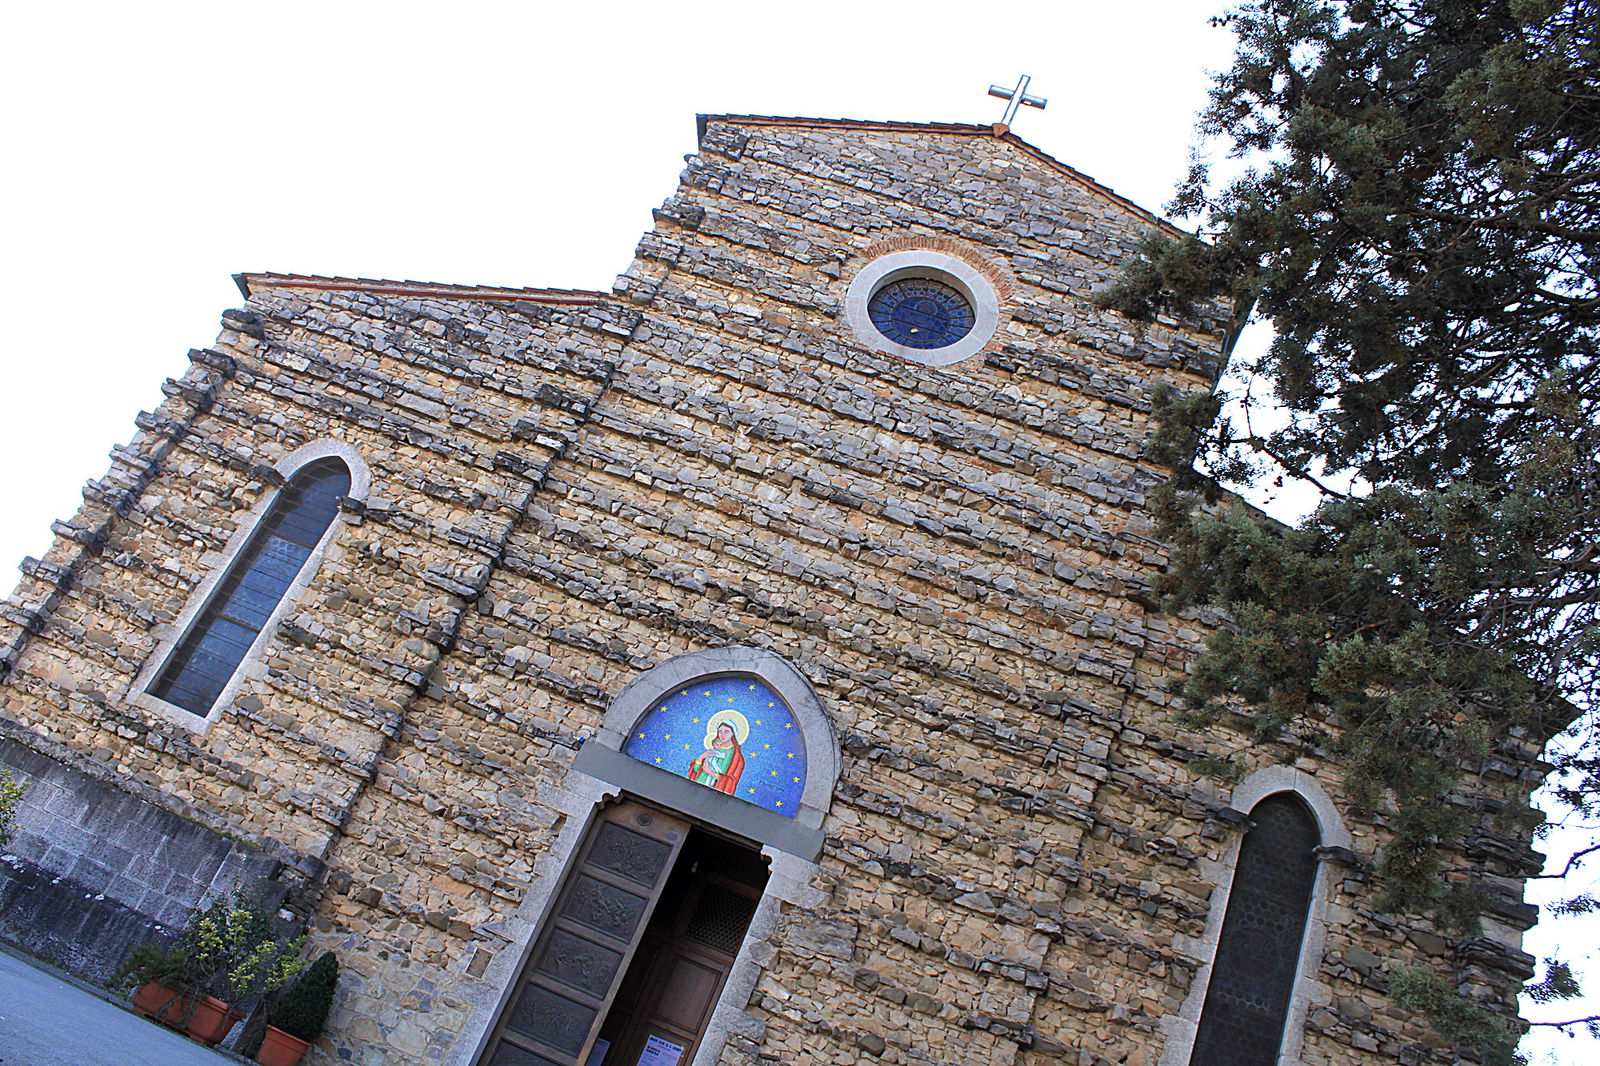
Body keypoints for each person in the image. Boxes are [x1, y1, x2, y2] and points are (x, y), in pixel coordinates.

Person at [686, 720, 744, 795]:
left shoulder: (737, 757)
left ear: (733, 733)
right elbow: (695, 770)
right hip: (698, 785)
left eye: (726, 731)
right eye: (720, 731)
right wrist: (700, 758)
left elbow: (732, 782)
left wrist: (713, 774)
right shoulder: (714, 749)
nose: (723, 735)